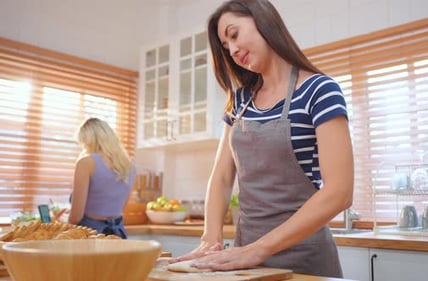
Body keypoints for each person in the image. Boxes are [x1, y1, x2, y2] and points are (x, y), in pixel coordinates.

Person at [169, 0, 354, 277]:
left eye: (234, 35)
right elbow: (221, 176)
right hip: (245, 263)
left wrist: (259, 249)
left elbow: (339, 192)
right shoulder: (240, 100)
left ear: (263, 20)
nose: (231, 50)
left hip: (304, 261)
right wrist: (211, 237)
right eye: (225, 45)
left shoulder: (320, 90)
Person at [66, 117, 136, 239]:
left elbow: (76, 217)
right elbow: (117, 207)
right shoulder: (129, 166)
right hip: (118, 235)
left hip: (91, 235)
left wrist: (62, 221)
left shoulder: (86, 163)